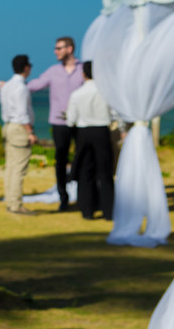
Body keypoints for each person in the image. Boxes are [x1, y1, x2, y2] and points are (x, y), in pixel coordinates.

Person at [26, 36, 83, 210]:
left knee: (82, 156)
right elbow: (34, 85)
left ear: (69, 49)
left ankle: (82, 192)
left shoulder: (83, 69)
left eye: (59, 48)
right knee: (60, 159)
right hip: (59, 122)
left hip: (81, 121)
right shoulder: (53, 71)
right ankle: (63, 198)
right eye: (55, 48)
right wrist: (14, 85)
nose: (55, 51)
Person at [66, 61, 116, 221]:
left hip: (83, 133)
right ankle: (108, 211)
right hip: (102, 131)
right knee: (105, 172)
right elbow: (114, 114)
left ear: (83, 74)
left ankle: (87, 210)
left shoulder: (77, 94)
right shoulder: (106, 93)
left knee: (85, 172)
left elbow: (70, 119)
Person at [0, 54, 39, 216]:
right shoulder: (21, 87)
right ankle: (15, 204)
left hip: (8, 126)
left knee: (11, 166)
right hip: (18, 128)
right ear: (26, 68)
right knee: (19, 169)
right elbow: (22, 114)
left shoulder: (7, 86)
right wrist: (30, 132)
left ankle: (11, 201)